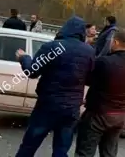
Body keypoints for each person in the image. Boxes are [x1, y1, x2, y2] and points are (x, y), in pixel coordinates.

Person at [15, 16, 95, 157]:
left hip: (47, 105)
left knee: (29, 145)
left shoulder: (53, 47)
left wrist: (24, 58)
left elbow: (32, 71)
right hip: (71, 109)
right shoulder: (89, 52)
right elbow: (89, 79)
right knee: (61, 149)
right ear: (82, 32)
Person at [75, 28, 125, 157]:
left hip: (98, 114)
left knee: (85, 151)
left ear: (115, 42)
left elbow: (88, 79)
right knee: (109, 153)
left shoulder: (105, 62)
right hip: (120, 115)